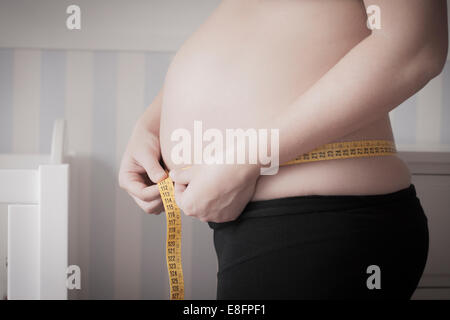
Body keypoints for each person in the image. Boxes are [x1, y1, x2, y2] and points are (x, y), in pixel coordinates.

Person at [119, 0, 448, 299]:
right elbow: (254, 33)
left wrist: (249, 158)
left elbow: (416, 47)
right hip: (282, 227)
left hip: (320, 226)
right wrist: (151, 123)